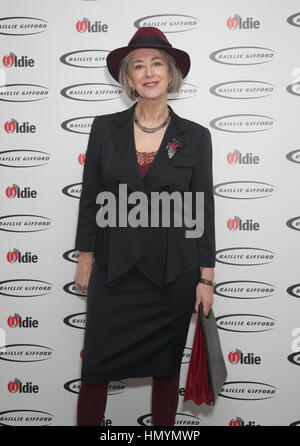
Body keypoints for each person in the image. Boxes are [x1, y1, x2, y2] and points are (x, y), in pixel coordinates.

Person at [74, 26, 216, 426]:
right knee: (95, 370)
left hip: (172, 271)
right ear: (129, 79)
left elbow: (201, 208)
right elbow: (91, 197)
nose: (149, 72)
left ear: (170, 73)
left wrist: (206, 277)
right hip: (114, 267)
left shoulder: (196, 137)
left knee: (166, 367)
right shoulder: (105, 128)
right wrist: (86, 257)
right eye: (139, 66)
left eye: (157, 63)